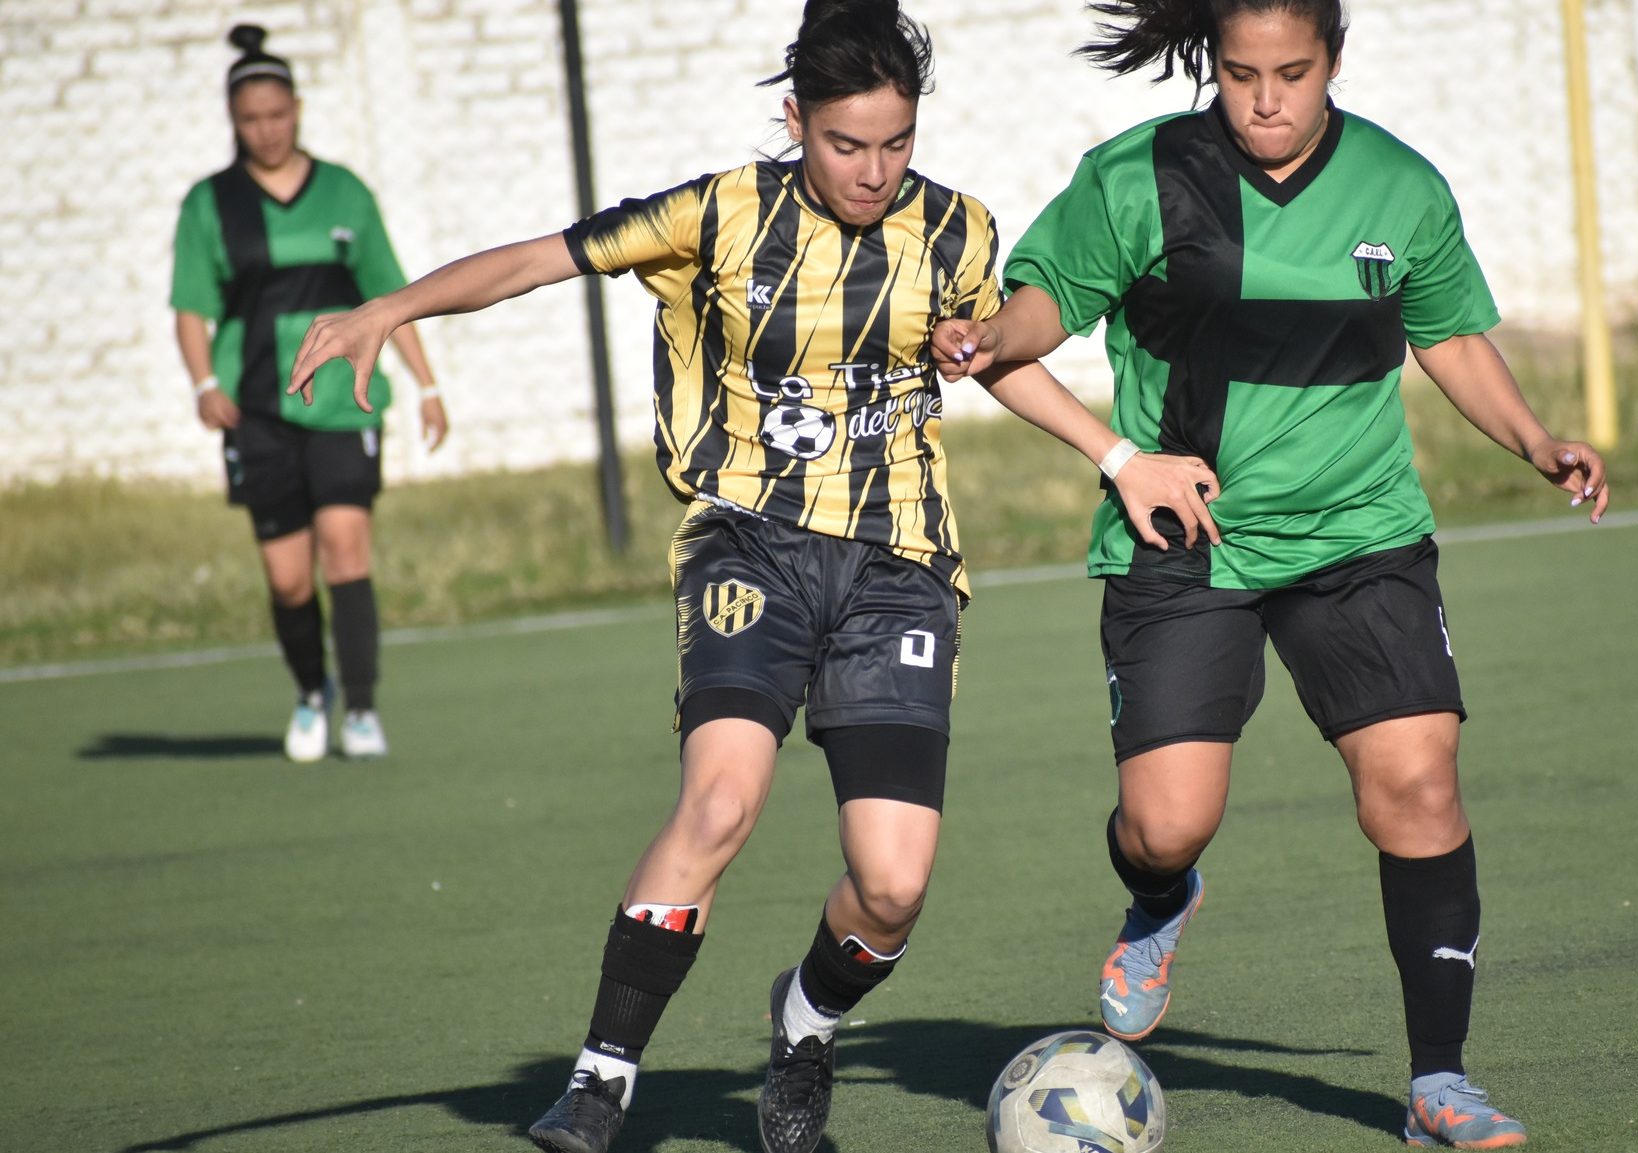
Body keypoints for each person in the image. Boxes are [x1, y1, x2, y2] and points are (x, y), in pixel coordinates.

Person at [286, 4, 1213, 1151]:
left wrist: (1116, 457)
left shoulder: (953, 229)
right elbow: (540, 258)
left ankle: (807, 1022)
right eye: (844, 144)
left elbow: (990, 364)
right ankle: (600, 1077)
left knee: (891, 885)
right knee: (719, 802)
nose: (873, 170)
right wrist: (391, 306)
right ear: (795, 122)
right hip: (748, 547)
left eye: (895, 142)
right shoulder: (717, 214)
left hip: (900, 572)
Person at [935, 1, 1610, 1146]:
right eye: (1241, 74)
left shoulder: (1399, 188)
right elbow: (1050, 301)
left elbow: (1444, 334)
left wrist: (1535, 439)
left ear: (1331, 62)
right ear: (1213, 65)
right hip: (1184, 537)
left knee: (1418, 784)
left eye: (1290, 73)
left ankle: (1437, 1080)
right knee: (1164, 826)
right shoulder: (1140, 177)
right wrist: (999, 336)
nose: (1264, 100)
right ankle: (1160, 897)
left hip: (1357, 534)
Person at [172, 24, 448, 763]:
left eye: (277, 113)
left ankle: (359, 706)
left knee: (346, 548)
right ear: (235, 121)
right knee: (289, 579)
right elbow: (190, 307)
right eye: (250, 118)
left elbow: (392, 293)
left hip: (340, 403)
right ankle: (309, 692)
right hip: (257, 408)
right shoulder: (210, 204)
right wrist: (203, 383)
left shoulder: (344, 192)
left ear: (296, 109)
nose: (266, 129)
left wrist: (427, 385)